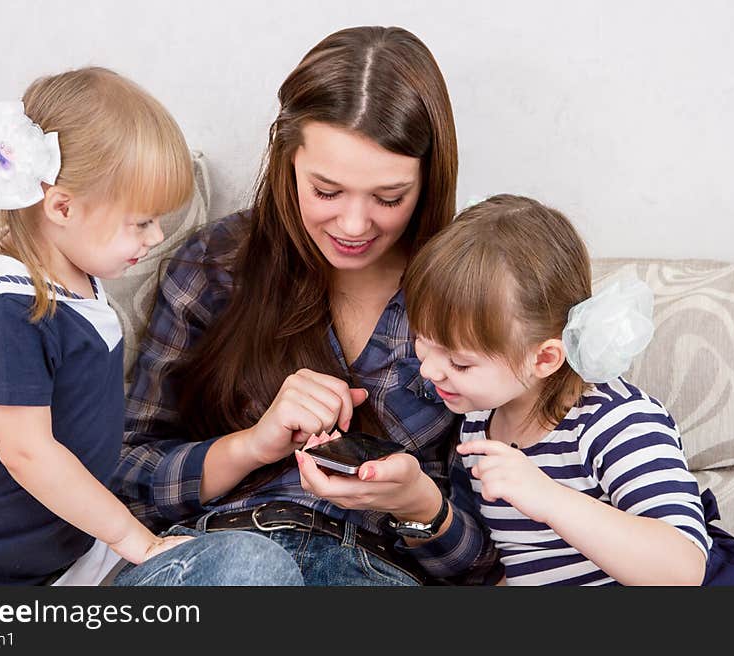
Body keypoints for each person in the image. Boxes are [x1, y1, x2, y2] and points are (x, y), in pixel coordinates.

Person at [113, 26, 498, 587]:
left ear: (428, 180)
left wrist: (421, 505)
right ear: (287, 159)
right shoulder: (217, 265)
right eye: (326, 191)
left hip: (374, 569)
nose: (353, 225)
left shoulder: (473, 297)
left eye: (389, 198)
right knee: (253, 571)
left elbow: (501, 557)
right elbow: (122, 478)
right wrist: (247, 447)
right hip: (220, 553)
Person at [0, 67, 195, 585]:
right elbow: (28, 453)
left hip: (59, 557)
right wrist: (134, 538)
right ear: (63, 207)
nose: (156, 236)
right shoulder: (3, 310)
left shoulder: (80, 287)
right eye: (141, 222)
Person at [402, 193, 734, 585]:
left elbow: (682, 571)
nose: (429, 369)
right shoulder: (477, 423)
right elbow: (502, 567)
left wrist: (549, 497)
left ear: (544, 359)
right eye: (421, 339)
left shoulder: (617, 422)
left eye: (460, 363)